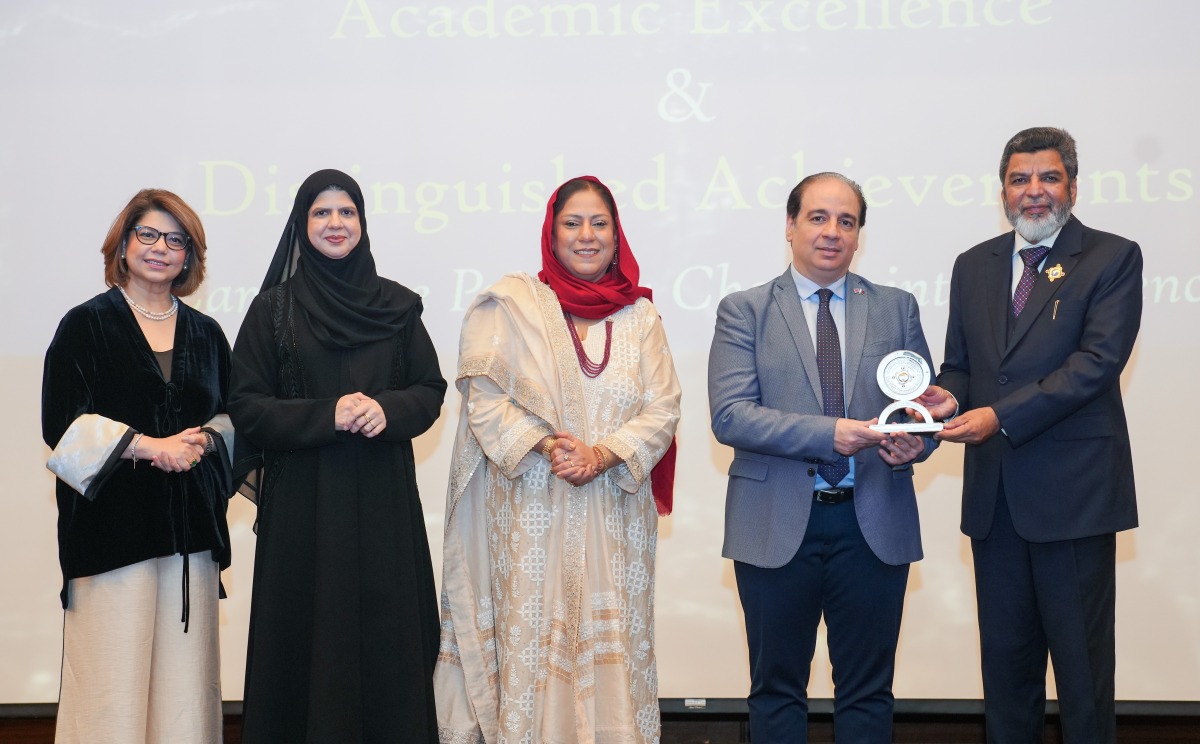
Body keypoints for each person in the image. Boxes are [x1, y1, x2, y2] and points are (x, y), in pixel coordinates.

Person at [434, 175, 682, 743]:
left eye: (600, 223)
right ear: (552, 231)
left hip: (616, 518)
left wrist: (602, 454)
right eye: (573, 223)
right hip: (530, 516)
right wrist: (548, 446)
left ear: (617, 236)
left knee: (615, 646)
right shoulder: (512, 305)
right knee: (532, 646)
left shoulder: (641, 319)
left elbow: (664, 406)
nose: (587, 235)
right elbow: (485, 400)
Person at [918, 127, 1142, 743]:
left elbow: (1096, 364)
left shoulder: (1112, 257)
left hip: (1073, 501)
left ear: (1072, 184)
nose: (1034, 192)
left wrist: (999, 416)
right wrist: (949, 397)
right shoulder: (974, 265)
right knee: (1006, 677)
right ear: (1003, 191)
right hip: (996, 505)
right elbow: (962, 364)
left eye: (1047, 178)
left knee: (1082, 680)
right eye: (1020, 180)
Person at [708, 173, 937, 743]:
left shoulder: (896, 308)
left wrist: (919, 440)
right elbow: (731, 415)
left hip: (873, 519)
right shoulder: (745, 310)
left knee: (867, 692)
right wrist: (828, 434)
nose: (831, 232)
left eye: (846, 221)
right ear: (789, 226)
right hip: (775, 520)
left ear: (859, 234)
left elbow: (920, 407)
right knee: (776, 690)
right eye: (817, 217)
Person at [227, 169, 447, 742]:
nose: (335, 223)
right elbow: (247, 405)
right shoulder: (272, 310)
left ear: (362, 224)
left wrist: (388, 410)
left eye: (346, 212)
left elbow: (430, 389)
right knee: (303, 645)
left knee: (387, 646)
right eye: (321, 213)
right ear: (302, 226)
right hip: (303, 510)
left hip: (383, 508)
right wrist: (326, 415)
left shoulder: (398, 307)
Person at [42, 189, 235, 743]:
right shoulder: (86, 325)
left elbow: (232, 420)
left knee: (186, 698)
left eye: (176, 241)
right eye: (148, 235)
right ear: (123, 245)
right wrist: (152, 447)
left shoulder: (207, 333)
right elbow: (61, 426)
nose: (160, 249)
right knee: (111, 692)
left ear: (189, 257)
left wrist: (203, 444)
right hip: (110, 539)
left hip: (189, 541)